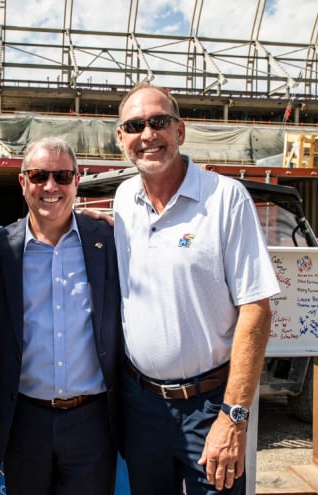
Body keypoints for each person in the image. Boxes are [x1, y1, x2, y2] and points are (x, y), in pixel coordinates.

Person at [113, 82, 280, 494]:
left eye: (159, 122)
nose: (147, 134)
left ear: (180, 131)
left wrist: (233, 416)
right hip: (141, 406)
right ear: (121, 138)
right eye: (135, 125)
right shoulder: (122, 199)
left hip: (210, 408)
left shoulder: (225, 198)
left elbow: (256, 309)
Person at [0, 137, 122, 495]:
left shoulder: (108, 240)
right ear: (23, 182)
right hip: (24, 421)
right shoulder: (0, 248)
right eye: (39, 176)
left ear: (77, 181)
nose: (51, 187)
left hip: (92, 422)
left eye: (63, 176)